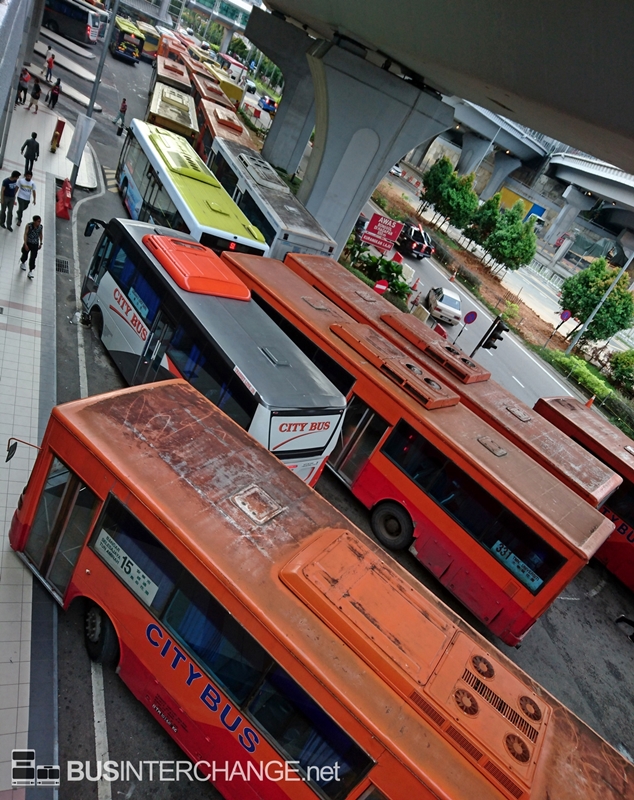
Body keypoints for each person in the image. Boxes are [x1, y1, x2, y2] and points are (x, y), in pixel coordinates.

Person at [19, 215, 43, 280]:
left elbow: (40, 234)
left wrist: (40, 243)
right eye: (38, 221)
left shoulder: (40, 227)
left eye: (40, 221)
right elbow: (25, 234)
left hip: (35, 244)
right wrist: (25, 244)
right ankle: (23, 262)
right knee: (25, 254)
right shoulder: (29, 226)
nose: (39, 223)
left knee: (33, 257)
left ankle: (31, 270)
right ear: (34, 221)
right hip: (28, 243)